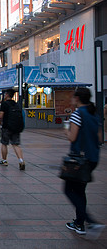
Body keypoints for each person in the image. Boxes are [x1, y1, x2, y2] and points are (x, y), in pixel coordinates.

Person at [64, 88, 105, 236]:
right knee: (80, 191)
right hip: (93, 158)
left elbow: (72, 137)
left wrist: (66, 128)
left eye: (73, 97)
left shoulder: (77, 114)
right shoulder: (94, 114)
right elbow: (100, 138)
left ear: (77, 98)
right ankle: (79, 223)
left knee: (69, 190)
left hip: (79, 160)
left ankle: (90, 222)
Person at [0, 89, 25, 170]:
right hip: (16, 127)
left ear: (6, 95)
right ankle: (21, 160)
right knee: (16, 144)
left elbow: (0, 116)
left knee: (4, 143)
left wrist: (0, 123)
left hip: (6, 127)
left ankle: (4, 160)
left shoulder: (4, 104)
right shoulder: (16, 104)